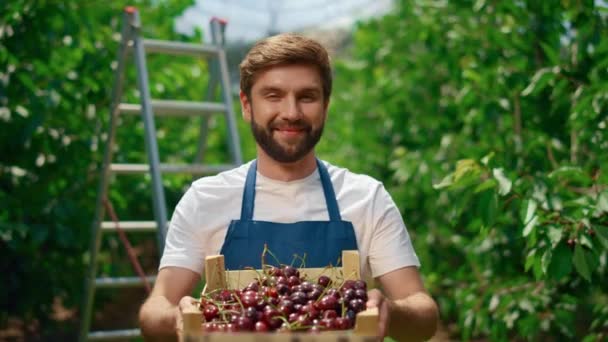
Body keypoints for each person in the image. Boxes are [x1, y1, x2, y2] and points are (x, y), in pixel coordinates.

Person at [139, 33, 438, 341]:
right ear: (246, 105)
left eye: (307, 97)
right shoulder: (205, 199)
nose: (291, 112)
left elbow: (423, 313)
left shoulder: (366, 197)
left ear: (325, 105)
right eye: (273, 96)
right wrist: (177, 316)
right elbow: (155, 309)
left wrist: (390, 310)